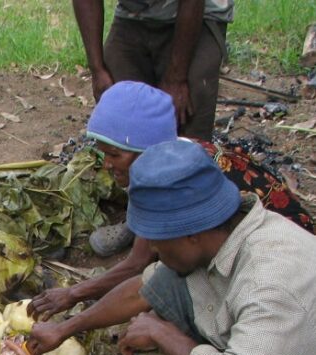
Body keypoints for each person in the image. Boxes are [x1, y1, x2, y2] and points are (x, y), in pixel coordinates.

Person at [29, 140, 316, 355]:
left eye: (156, 239)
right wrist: (66, 328)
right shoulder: (219, 235)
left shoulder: (272, 282)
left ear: (191, 234)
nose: (149, 248)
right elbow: (144, 288)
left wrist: (163, 334)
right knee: (172, 283)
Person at [29, 81, 314, 319]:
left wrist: (72, 294)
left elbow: (137, 265)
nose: (106, 164)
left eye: (114, 155)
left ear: (145, 150)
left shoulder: (182, 180)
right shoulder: (167, 155)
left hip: (285, 263)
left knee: (173, 302)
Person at [73, 0, 233, 141]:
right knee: (119, 106)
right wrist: (97, 69)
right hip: (134, 13)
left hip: (201, 12)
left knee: (189, 111)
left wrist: (176, 78)